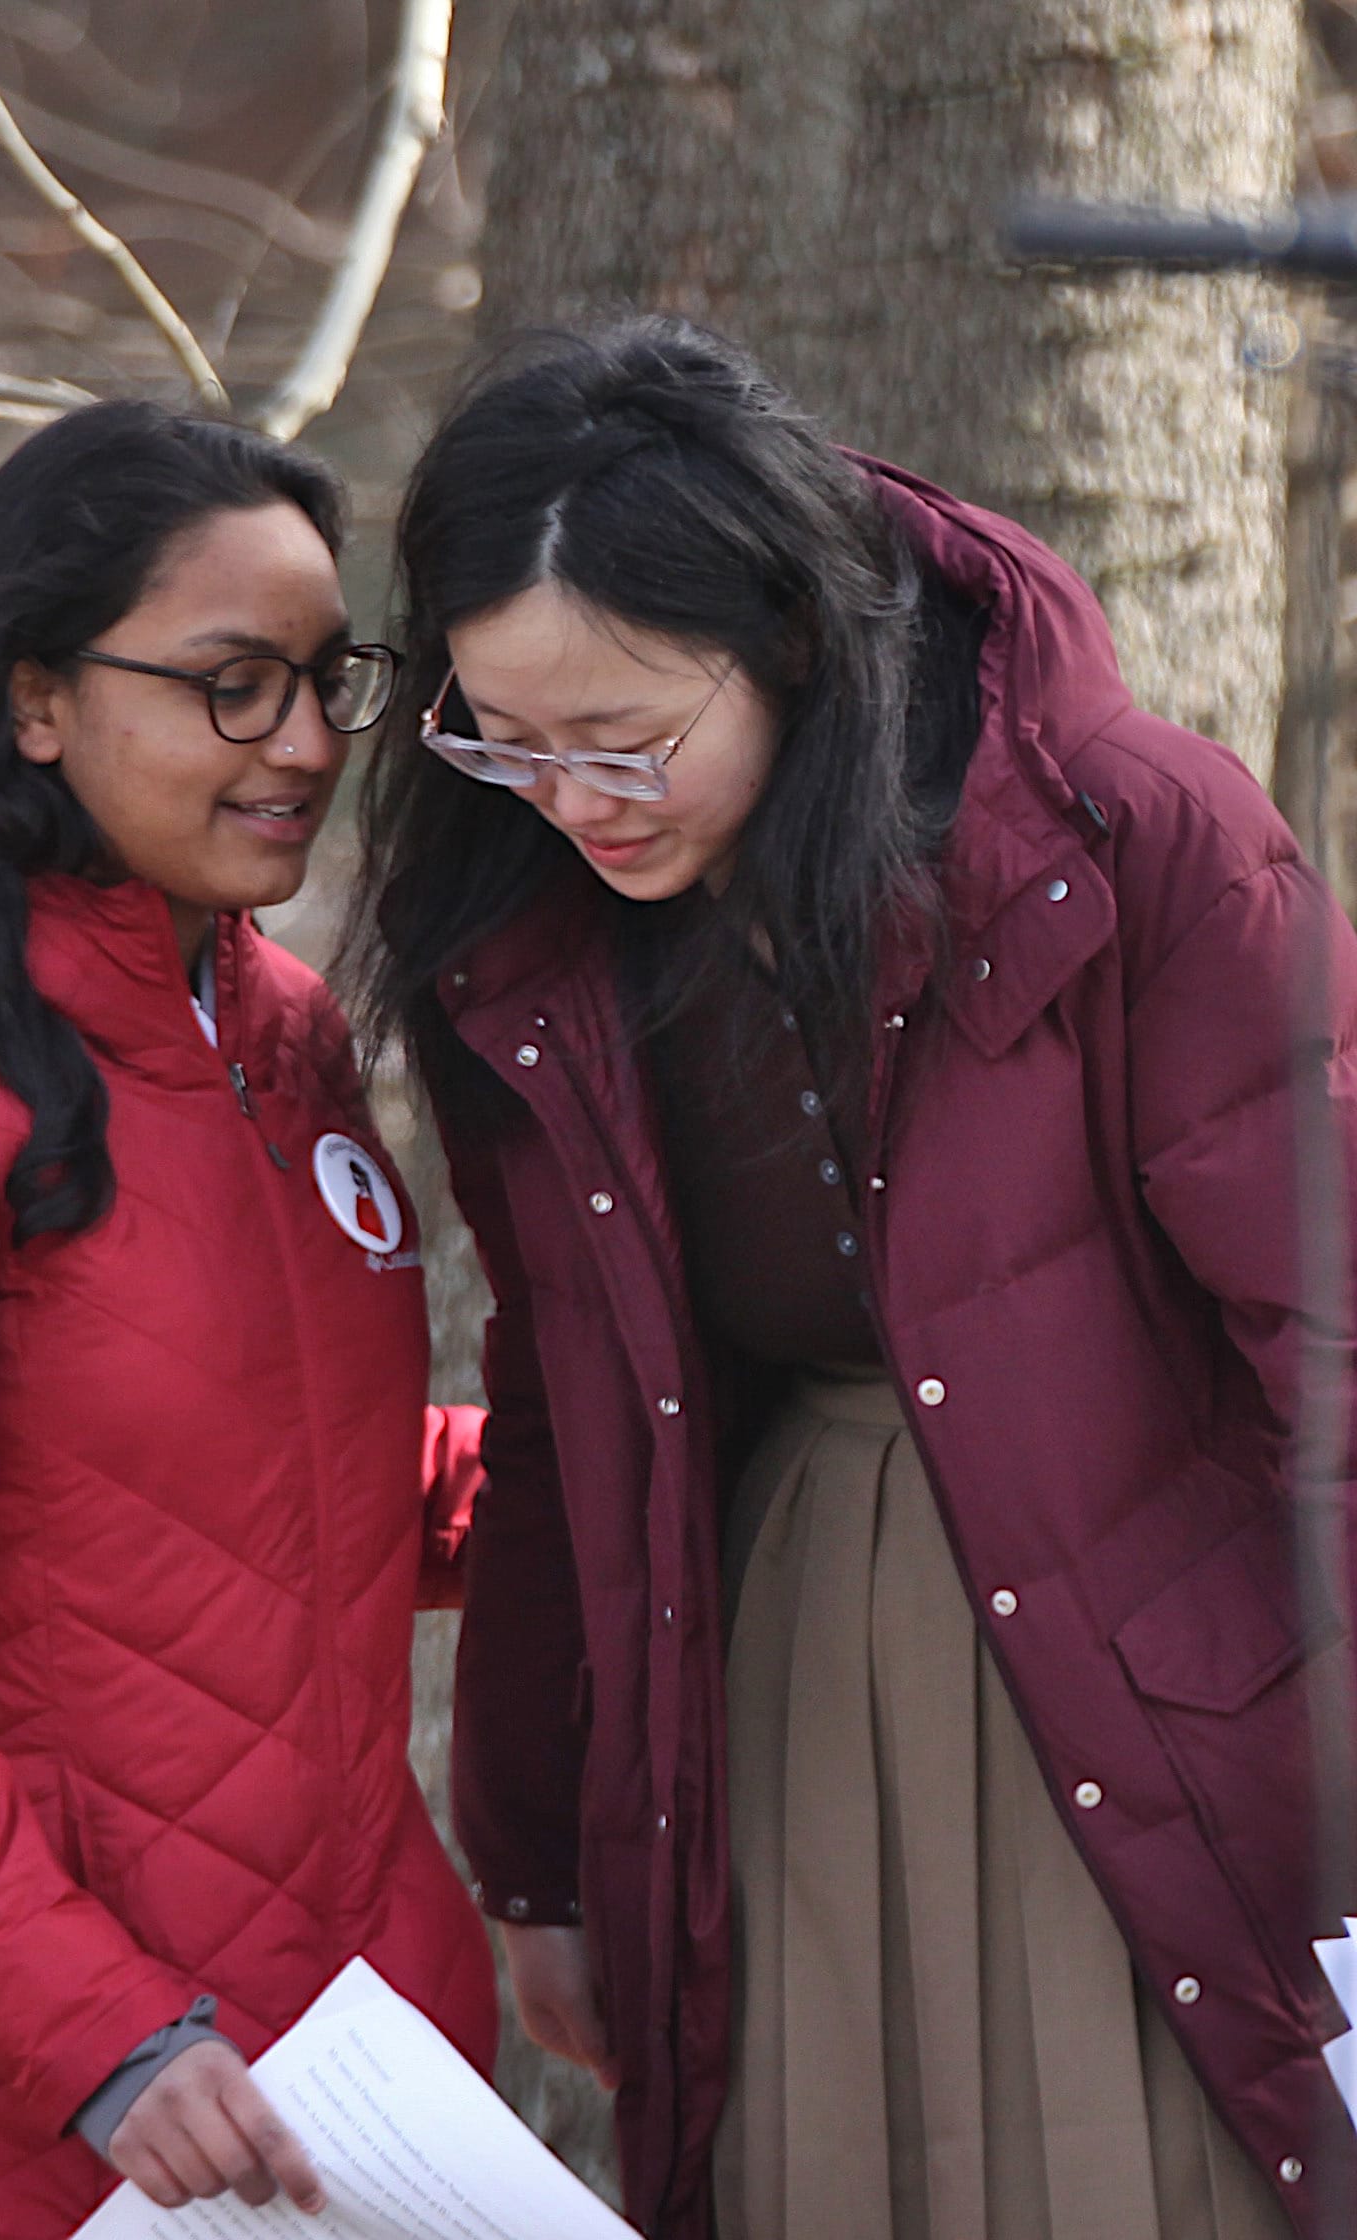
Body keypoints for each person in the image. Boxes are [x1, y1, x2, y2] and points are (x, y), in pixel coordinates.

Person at [345, 317, 1357, 2240]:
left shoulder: (1131, 832)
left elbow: (1340, 1337)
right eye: (504, 741)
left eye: (624, 738)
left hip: (1168, 1675)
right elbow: (567, 1409)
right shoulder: (530, 934)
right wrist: (542, 1851)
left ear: (794, 644)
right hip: (772, 1662)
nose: (568, 796)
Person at [0, 400, 497, 2240]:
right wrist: (100, 2035)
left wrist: (662, 1465)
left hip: (334, 2073)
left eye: (326, 679)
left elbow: (265, 1499)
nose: (304, 743)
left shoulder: (276, 1024)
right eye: (230, 686)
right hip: (15, 2109)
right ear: (36, 698)